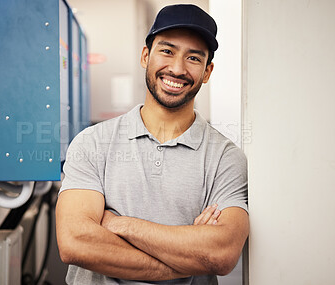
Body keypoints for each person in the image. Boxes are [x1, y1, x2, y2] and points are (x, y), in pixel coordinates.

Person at [56, 4, 249, 285]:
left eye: (193, 58)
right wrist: (186, 256)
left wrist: (116, 224)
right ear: (146, 56)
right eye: (167, 51)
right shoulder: (92, 143)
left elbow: (220, 253)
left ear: (207, 72)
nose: (177, 68)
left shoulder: (225, 158)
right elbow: (76, 242)